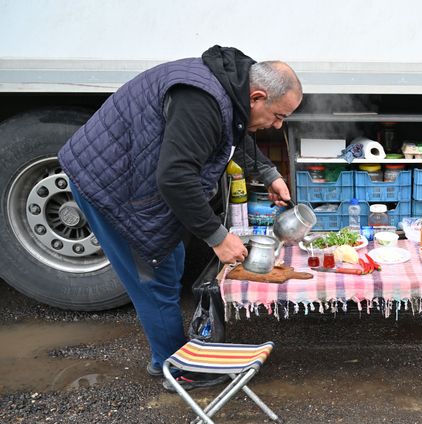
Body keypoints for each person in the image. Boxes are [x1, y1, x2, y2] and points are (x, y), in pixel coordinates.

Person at [58, 45, 302, 392]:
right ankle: (176, 369)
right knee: (154, 279)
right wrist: (218, 237)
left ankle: (174, 357)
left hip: (137, 177)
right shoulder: (201, 100)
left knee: (169, 264)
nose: (277, 125)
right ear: (258, 96)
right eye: (279, 116)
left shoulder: (233, 88)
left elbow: (236, 132)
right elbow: (175, 178)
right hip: (111, 187)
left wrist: (267, 172)